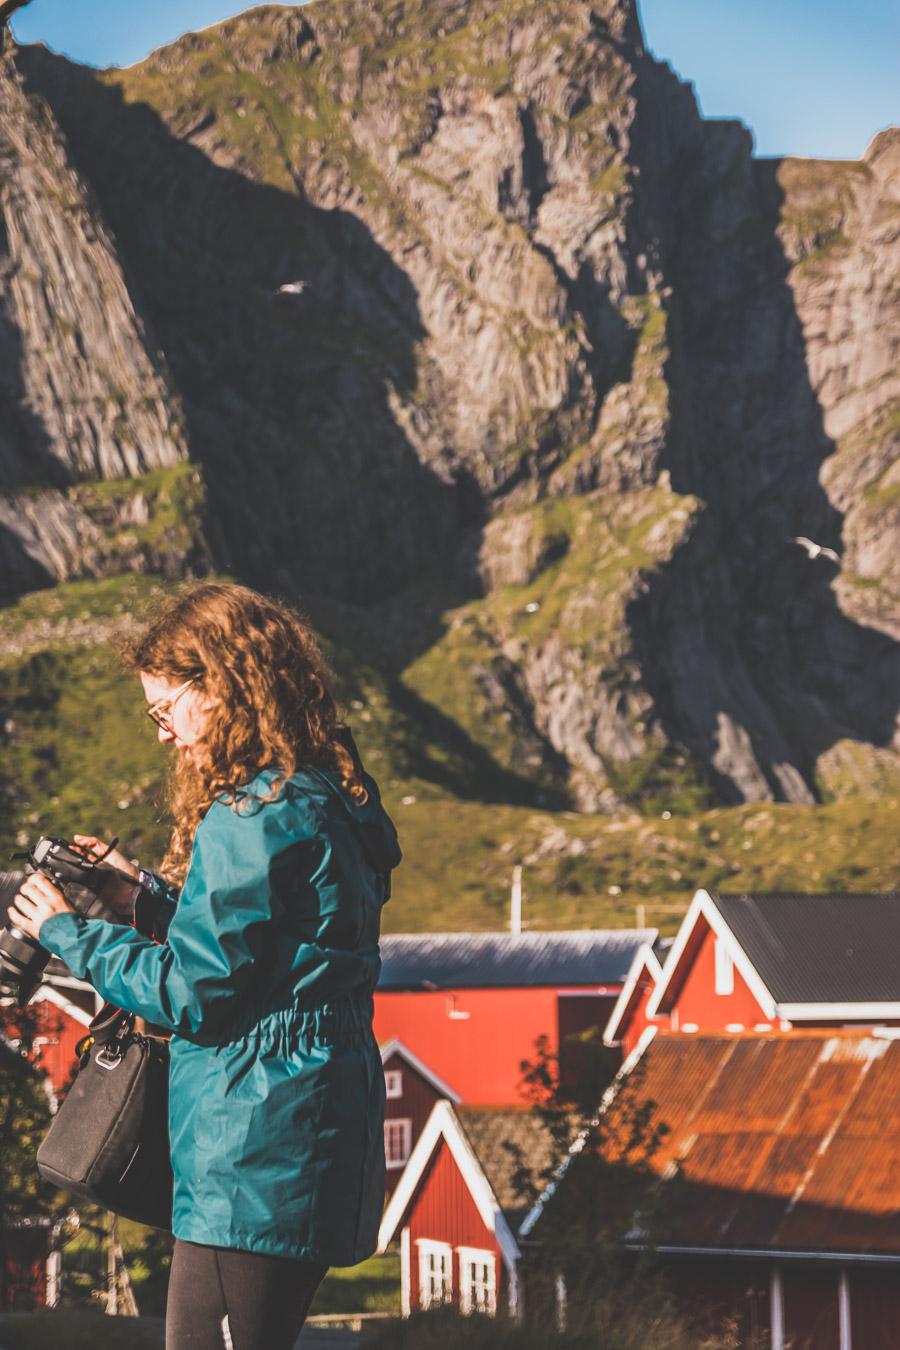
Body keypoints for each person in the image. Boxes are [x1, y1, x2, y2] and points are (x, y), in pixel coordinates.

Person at [9, 583, 401, 1350]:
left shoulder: (247, 817)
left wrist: (68, 932)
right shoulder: (328, 796)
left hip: (248, 1151)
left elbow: (191, 993)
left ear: (217, 688)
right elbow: (269, 952)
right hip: (311, 1132)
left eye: (165, 710)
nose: (163, 734)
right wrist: (146, 895)